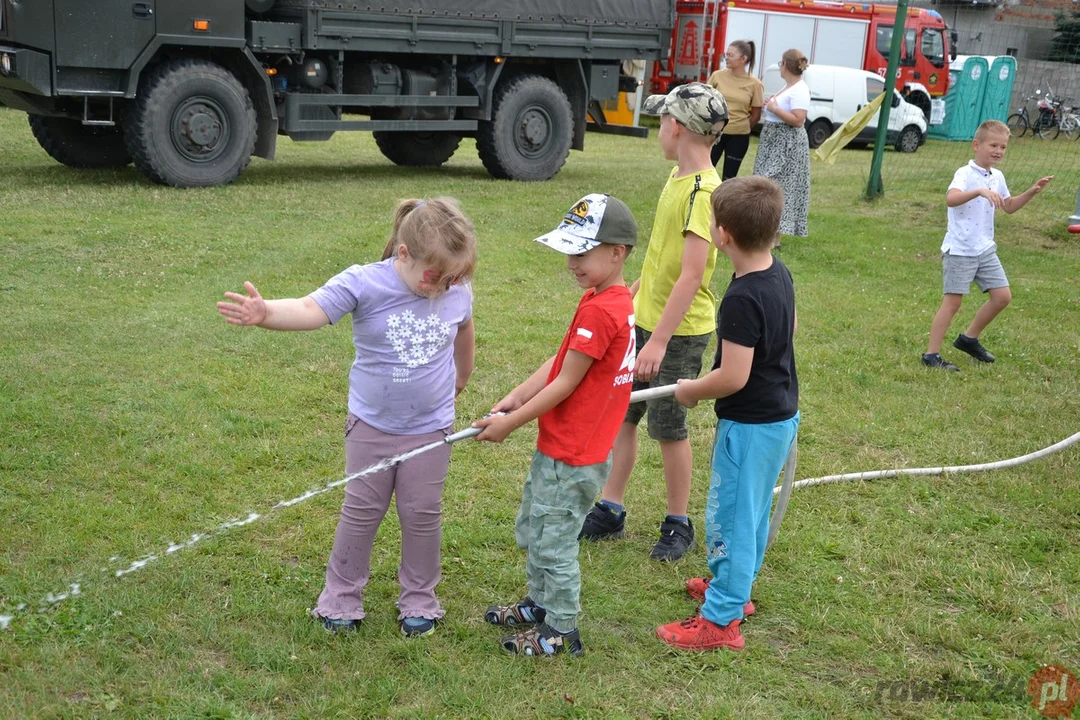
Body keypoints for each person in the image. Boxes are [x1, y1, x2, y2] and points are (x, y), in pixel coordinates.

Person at [215, 198, 477, 637]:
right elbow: (310, 309)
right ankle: (340, 597)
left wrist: (462, 375)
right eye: (438, 275)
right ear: (403, 254)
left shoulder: (455, 291)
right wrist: (266, 314)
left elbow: (464, 327)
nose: (444, 286)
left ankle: (419, 598)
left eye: (455, 277)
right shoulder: (364, 283)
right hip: (371, 426)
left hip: (431, 427)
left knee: (422, 513)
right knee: (361, 511)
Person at [472, 194, 637, 657]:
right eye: (569, 251)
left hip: (574, 455)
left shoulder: (603, 310)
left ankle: (562, 630)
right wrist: (517, 396)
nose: (570, 262)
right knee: (539, 527)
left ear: (616, 253)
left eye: (580, 252)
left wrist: (511, 424)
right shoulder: (605, 299)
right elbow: (563, 362)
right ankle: (539, 604)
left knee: (555, 541)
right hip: (563, 448)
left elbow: (566, 383)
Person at [579, 82, 728, 563]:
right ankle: (611, 507)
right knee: (623, 415)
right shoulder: (678, 177)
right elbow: (659, 260)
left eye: (662, 119)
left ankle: (677, 522)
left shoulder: (704, 193)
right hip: (645, 321)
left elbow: (690, 274)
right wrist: (630, 301)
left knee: (668, 426)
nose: (658, 127)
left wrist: (659, 340)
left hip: (679, 332)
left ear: (677, 127)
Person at [654, 176, 799, 651]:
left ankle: (720, 621)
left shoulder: (741, 296)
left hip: (751, 426)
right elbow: (787, 331)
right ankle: (734, 590)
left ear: (722, 235)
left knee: (734, 517)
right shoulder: (778, 272)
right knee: (750, 513)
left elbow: (733, 376)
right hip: (778, 417)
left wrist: (692, 390)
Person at [922, 120, 1054, 371]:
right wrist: (979, 192)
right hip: (960, 250)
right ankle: (931, 355)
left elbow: (1009, 206)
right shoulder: (965, 173)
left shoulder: (998, 176)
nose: (998, 151)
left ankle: (968, 339)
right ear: (976, 145)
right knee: (953, 304)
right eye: (993, 145)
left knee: (1002, 297)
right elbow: (951, 199)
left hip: (985, 249)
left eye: (1003, 147)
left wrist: (1031, 192)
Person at [753, 48, 811, 241]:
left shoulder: (800, 89)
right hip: (774, 140)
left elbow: (798, 120)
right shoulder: (788, 87)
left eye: (781, 63)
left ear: (785, 65)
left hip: (786, 143)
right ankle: (768, 232)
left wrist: (775, 108)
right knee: (769, 183)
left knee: (778, 184)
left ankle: (774, 237)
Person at [707, 40, 764, 180]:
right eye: (726, 54)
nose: (726, 57)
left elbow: (756, 115)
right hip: (715, 134)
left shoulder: (755, 84)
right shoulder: (717, 76)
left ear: (743, 59)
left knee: (729, 178)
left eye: (731, 55)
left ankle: (724, 202)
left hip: (739, 137)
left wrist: (741, 127)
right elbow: (705, 100)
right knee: (706, 172)